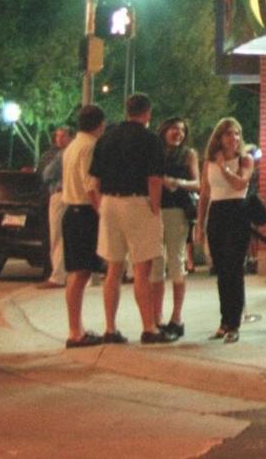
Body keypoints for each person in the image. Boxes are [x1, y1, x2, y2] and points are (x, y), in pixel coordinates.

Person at [89, 92, 175, 345]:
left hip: (109, 203)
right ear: (147, 113)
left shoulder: (106, 138)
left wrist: (100, 207)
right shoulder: (151, 140)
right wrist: (155, 208)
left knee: (113, 268)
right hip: (138, 202)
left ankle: (110, 327)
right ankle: (149, 327)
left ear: (127, 110)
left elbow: (94, 181)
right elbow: (154, 179)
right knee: (141, 267)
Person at [195, 117, 254, 343]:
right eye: (229, 134)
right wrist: (200, 224)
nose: (234, 138)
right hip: (217, 213)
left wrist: (223, 167)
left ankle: (234, 323)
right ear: (219, 138)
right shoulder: (208, 162)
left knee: (234, 268)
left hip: (237, 212)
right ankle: (223, 321)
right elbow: (205, 194)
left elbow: (241, 184)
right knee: (220, 269)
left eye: (237, 134)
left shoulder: (245, 159)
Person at [150, 117, 200, 337]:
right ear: (164, 130)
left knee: (176, 261)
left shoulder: (188, 154)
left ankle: (176, 317)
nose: (177, 134)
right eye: (173, 129)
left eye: (181, 130)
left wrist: (178, 183)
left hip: (178, 211)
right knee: (155, 263)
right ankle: (156, 317)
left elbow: (198, 183)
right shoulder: (154, 152)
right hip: (155, 210)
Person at [60, 105, 106, 347]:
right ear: (100, 124)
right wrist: (102, 213)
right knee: (80, 273)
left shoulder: (72, 146)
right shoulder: (90, 147)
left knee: (78, 273)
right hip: (83, 213)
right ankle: (75, 331)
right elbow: (91, 186)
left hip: (72, 212)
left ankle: (76, 327)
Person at [38, 126, 74, 289]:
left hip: (60, 194)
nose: (58, 139)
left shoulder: (61, 155)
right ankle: (68, 273)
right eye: (57, 136)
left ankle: (58, 275)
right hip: (74, 196)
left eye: (62, 136)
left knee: (57, 236)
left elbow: (47, 174)